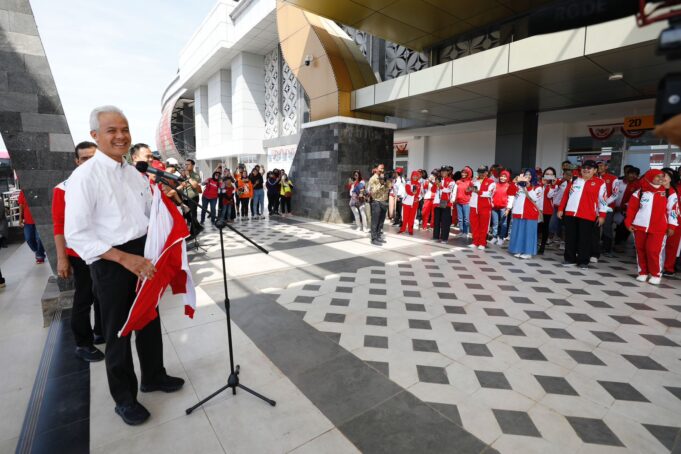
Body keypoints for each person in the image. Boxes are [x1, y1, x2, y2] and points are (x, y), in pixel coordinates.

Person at [65, 106, 183, 426]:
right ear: (95, 136)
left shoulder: (133, 172)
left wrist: (164, 204)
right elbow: (77, 234)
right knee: (119, 330)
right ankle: (125, 399)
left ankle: (153, 376)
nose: (120, 136)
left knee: (148, 318)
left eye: (124, 129)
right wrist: (122, 257)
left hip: (142, 255)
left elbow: (146, 214)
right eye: (111, 131)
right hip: (111, 260)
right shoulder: (84, 177)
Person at [52, 141, 105, 362]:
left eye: (94, 157)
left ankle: (100, 331)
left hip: (105, 251)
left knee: (103, 295)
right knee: (84, 298)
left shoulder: (105, 183)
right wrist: (62, 258)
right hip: (79, 254)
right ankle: (83, 344)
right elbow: (58, 226)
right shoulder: (63, 188)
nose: (89, 162)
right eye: (84, 158)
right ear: (77, 161)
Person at [625, 169, 678, 285]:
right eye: (657, 177)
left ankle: (655, 274)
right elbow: (631, 209)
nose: (661, 179)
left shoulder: (669, 192)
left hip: (659, 228)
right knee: (641, 250)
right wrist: (628, 223)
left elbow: (673, 210)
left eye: (662, 176)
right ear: (649, 177)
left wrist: (672, 226)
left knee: (653, 251)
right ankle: (643, 272)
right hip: (639, 226)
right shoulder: (640, 192)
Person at [558, 160, 607, 270]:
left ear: (595, 170)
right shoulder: (574, 180)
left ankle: (583, 261)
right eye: (584, 167)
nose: (586, 169)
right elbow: (566, 195)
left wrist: (602, 215)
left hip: (588, 215)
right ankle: (569, 259)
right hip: (570, 213)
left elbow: (603, 200)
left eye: (589, 168)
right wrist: (561, 209)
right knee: (570, 237)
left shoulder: (600, 182)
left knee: (584, 239)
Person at [508, 169, 543, 259]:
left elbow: (535, 198)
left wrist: (529, 187)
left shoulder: (537, 187)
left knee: (529, 233)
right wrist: (513, 182)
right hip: (518, 212)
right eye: (526, 174)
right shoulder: (519, 185)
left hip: (530, 213)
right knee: (519, 232)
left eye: (530, 174)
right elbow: (510, 192)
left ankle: (528, 252)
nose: (528, 176)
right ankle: (518, 249)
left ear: (533, 176)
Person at [595, 160, 619, 258]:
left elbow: (615, 194)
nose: (599, 167)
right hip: (594, 207)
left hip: (608, 208)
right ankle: (595, 247)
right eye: (598, 166)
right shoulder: (594, 177)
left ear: (606, 167)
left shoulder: (613, 178)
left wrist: (604, 203)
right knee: (595, 227)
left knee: (606, 228)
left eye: (601, 166)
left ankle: (607, 249)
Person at [469, 166, 496, 250]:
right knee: (474, 225)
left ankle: (482, 243)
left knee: (484, 226)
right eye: (479, 172)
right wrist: (470, 186)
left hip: (485, 206)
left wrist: (478, 191)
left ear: (486, 172)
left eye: (483, 172)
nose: (481, 174)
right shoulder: (474, 181)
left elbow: (489, 194)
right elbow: (468, 191)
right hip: (473, 205)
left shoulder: (491, 182)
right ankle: (475, 241)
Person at [17, 189, 46, 264]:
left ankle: (40, 255)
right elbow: (21, 205)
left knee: (39, 238)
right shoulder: (23, 191)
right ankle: (38, 251)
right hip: (28, 221)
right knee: (28, 238)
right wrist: (20, 219)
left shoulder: (40, 190)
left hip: (39, 220)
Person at [662, 168, 681, 276]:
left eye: (665, 175)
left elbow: (674, 209)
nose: (662, 177)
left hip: (675, 220)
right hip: (659, 220)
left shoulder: (675, 190)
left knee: (672, 245)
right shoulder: (656, 189)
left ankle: (669, 268)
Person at [179, 159, 203, 238]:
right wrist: (182, 176)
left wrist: (188, 176)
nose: (186, 166)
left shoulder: (195, 175)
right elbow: (179, 184)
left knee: (193, 215)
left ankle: (193, 233)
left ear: (192, 165)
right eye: (185, 164)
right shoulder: (183, 174)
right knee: (187, 215)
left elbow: (195, 185)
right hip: (185, 197)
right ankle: (198, 227)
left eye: (188, 164)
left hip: (193, 197)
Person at [368, 163, 390, 246]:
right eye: (381, 168)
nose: (382, 170)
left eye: (383, 168)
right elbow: (372, 191)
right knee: (375, 221)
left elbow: (389, 187)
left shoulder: (383, 177)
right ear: (376, 169)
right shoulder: (372, 179)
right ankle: (373, 239)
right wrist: (380, 183)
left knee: (381, 221)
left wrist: (387, 181)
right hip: (376, 201)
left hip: (384, 201)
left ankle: (378, 236)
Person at [433, 166, 456, 243]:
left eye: (445, 171)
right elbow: (433, 190)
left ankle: (444, 238)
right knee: (436, 221)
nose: (443, 172)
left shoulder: (451, 181)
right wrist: (434, 184)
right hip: (437, 202)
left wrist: (440, 186)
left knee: (445, 221)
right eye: (442, 171)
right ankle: (435, 236)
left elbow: (448, 190)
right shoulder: (438, 179)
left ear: (448, 172)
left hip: (445, 202)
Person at [538, 167, 558, 254]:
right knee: (538, 228)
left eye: (551, 174)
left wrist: (552, 185)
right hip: (539, 209)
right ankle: (534, 245)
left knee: (545, 229)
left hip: (548, 210)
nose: (549, 176)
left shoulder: (555, 185)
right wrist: (542, 185)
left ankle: (542, 247)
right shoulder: (539, 184)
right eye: (547, 174)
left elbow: (550, 196)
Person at [490, 170, 513, 246]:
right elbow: (491, 194)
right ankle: (494, 237)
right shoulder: (495, 184)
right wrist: (492, 203)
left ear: (507, 178)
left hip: (504, 208)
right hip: (494, 207)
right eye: (501, 176)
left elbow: (511, 198)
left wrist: (508, 209)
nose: (502, 178)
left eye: (505, 176)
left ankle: (501, 238)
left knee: (503, 223)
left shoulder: (509, 186)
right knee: (495, 223)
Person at [399, 170, 422, 235]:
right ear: (411, 176)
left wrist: (417, 198)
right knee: (405, 217)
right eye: (414, 176)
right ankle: (402, 229)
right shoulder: (408, 183)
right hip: (407, 202)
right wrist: (413, 193)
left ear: (418, 177)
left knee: (412, 217)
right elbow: (408, 191)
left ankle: (410, 230)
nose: (415, 177)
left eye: (416, 176)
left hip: (415, 203)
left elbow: (420, 193)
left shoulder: (419, 184)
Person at [454, 166, 474, 238]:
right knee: (460, 218)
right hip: (458, 202)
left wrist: (471, 187)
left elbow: (472, 191)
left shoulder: (471, 182)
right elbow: (455, 192)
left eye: (465, 173)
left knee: (466, 218)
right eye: (462, 172)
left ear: (468, 173)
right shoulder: (458, 181)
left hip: (466, 202)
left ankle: (466, 232)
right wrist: (454, 199)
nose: (463, 174)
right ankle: (461, 231)